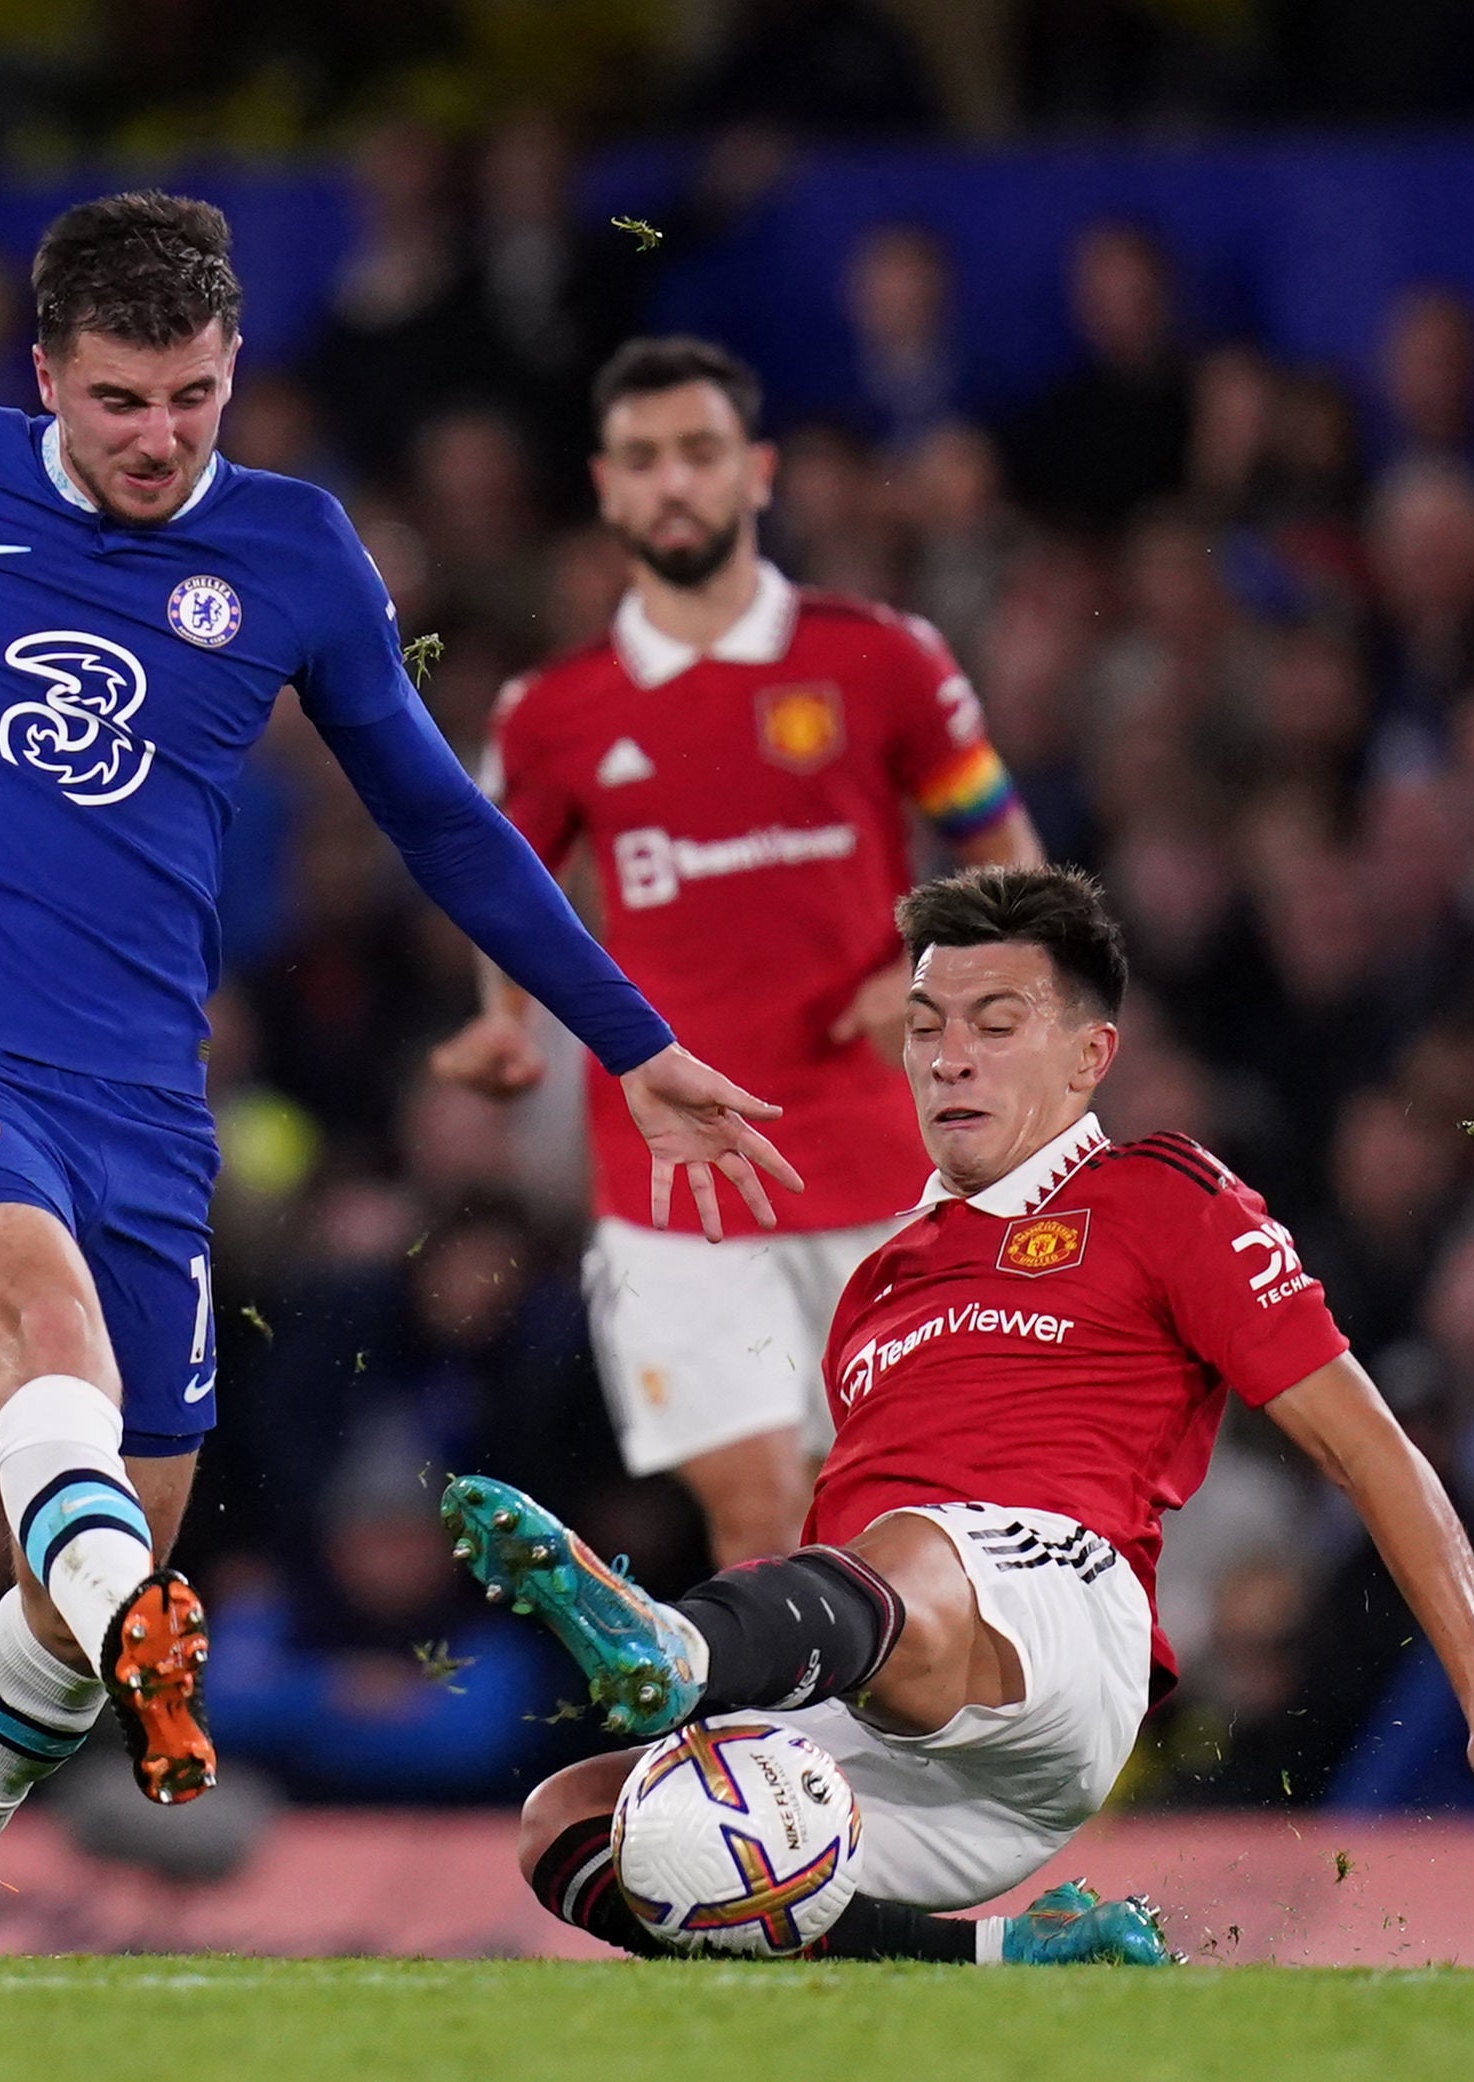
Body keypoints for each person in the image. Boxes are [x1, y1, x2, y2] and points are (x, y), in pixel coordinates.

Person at [0, 191, 798, 1956]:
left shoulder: (296, 554)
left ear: (233, 370)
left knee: (90, 1563)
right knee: (44, 1342)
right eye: (118, 399)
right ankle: (142, 1656)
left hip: (142, 1104)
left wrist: (633, 1039)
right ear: (45, 375)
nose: (157, 435)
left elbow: (436, 811)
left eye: (192, 396)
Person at [445, 865, 1474, 1966]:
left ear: (1087, 1056)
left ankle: (678, 1644)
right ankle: (1012, 1954)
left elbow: (1369, 1449)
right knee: (579, 1824)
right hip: (898, 1728)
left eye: (994, 1025)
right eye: (924, 1029)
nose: (949, 1058)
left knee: (912, 1545)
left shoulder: (1164, 1196)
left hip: (1057, 1636)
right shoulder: (881, 1281)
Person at [434, 335, 1038, 1568]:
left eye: (700, 454)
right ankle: (778, 1765)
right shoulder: (551, 715)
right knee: (757, 1511)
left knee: (890, 1513)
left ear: (755, 472)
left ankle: (885, 1763)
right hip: (674, 1179)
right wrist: (501, 1020)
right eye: (644, 460)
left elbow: (1012, 858)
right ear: (606, 487)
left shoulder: (881, 655)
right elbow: (503, 893)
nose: (674, 484)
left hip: (882, 1157)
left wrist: (946, 971)